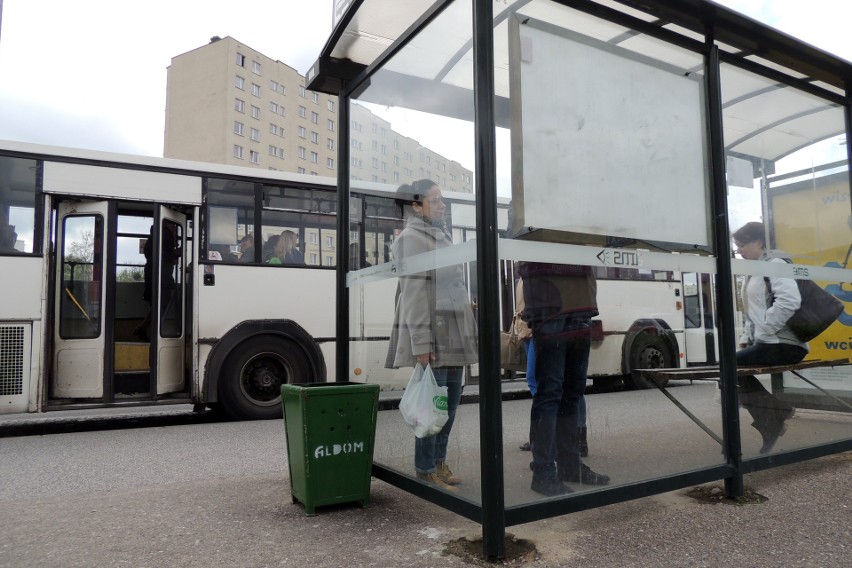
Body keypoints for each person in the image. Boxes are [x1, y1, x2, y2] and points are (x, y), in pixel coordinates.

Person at [386, 179, 478, 492]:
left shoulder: (438, 233)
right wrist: (422, 345)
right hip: (436, 332)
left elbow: (444, 284)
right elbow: (413, 293)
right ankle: (425, 469)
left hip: (452, 327)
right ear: (417, 204)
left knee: (449, 404)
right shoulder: (412, 237)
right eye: (435, 200)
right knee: (433, 405)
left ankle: (439, 462)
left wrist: (463, 303)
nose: (441, 206)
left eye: (442, 200)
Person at [520, 261, 609, 496]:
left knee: (573, 391)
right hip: (552, 306)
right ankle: (543, 472)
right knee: (551, 392)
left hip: (579, 306)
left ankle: (569, 465)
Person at [733, 221, 804, 454]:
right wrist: (747, 336)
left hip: (785, 343)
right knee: (728, 368)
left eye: (743, 244)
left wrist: (764, 329)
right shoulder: (754, 271)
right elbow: (753, 311)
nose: (740, 250)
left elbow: (789, 301)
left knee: (728, 366)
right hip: (769, 341)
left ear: (759, 242)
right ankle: (774, 415)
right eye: (737, 246)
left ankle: (772, 418)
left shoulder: (774, 264)